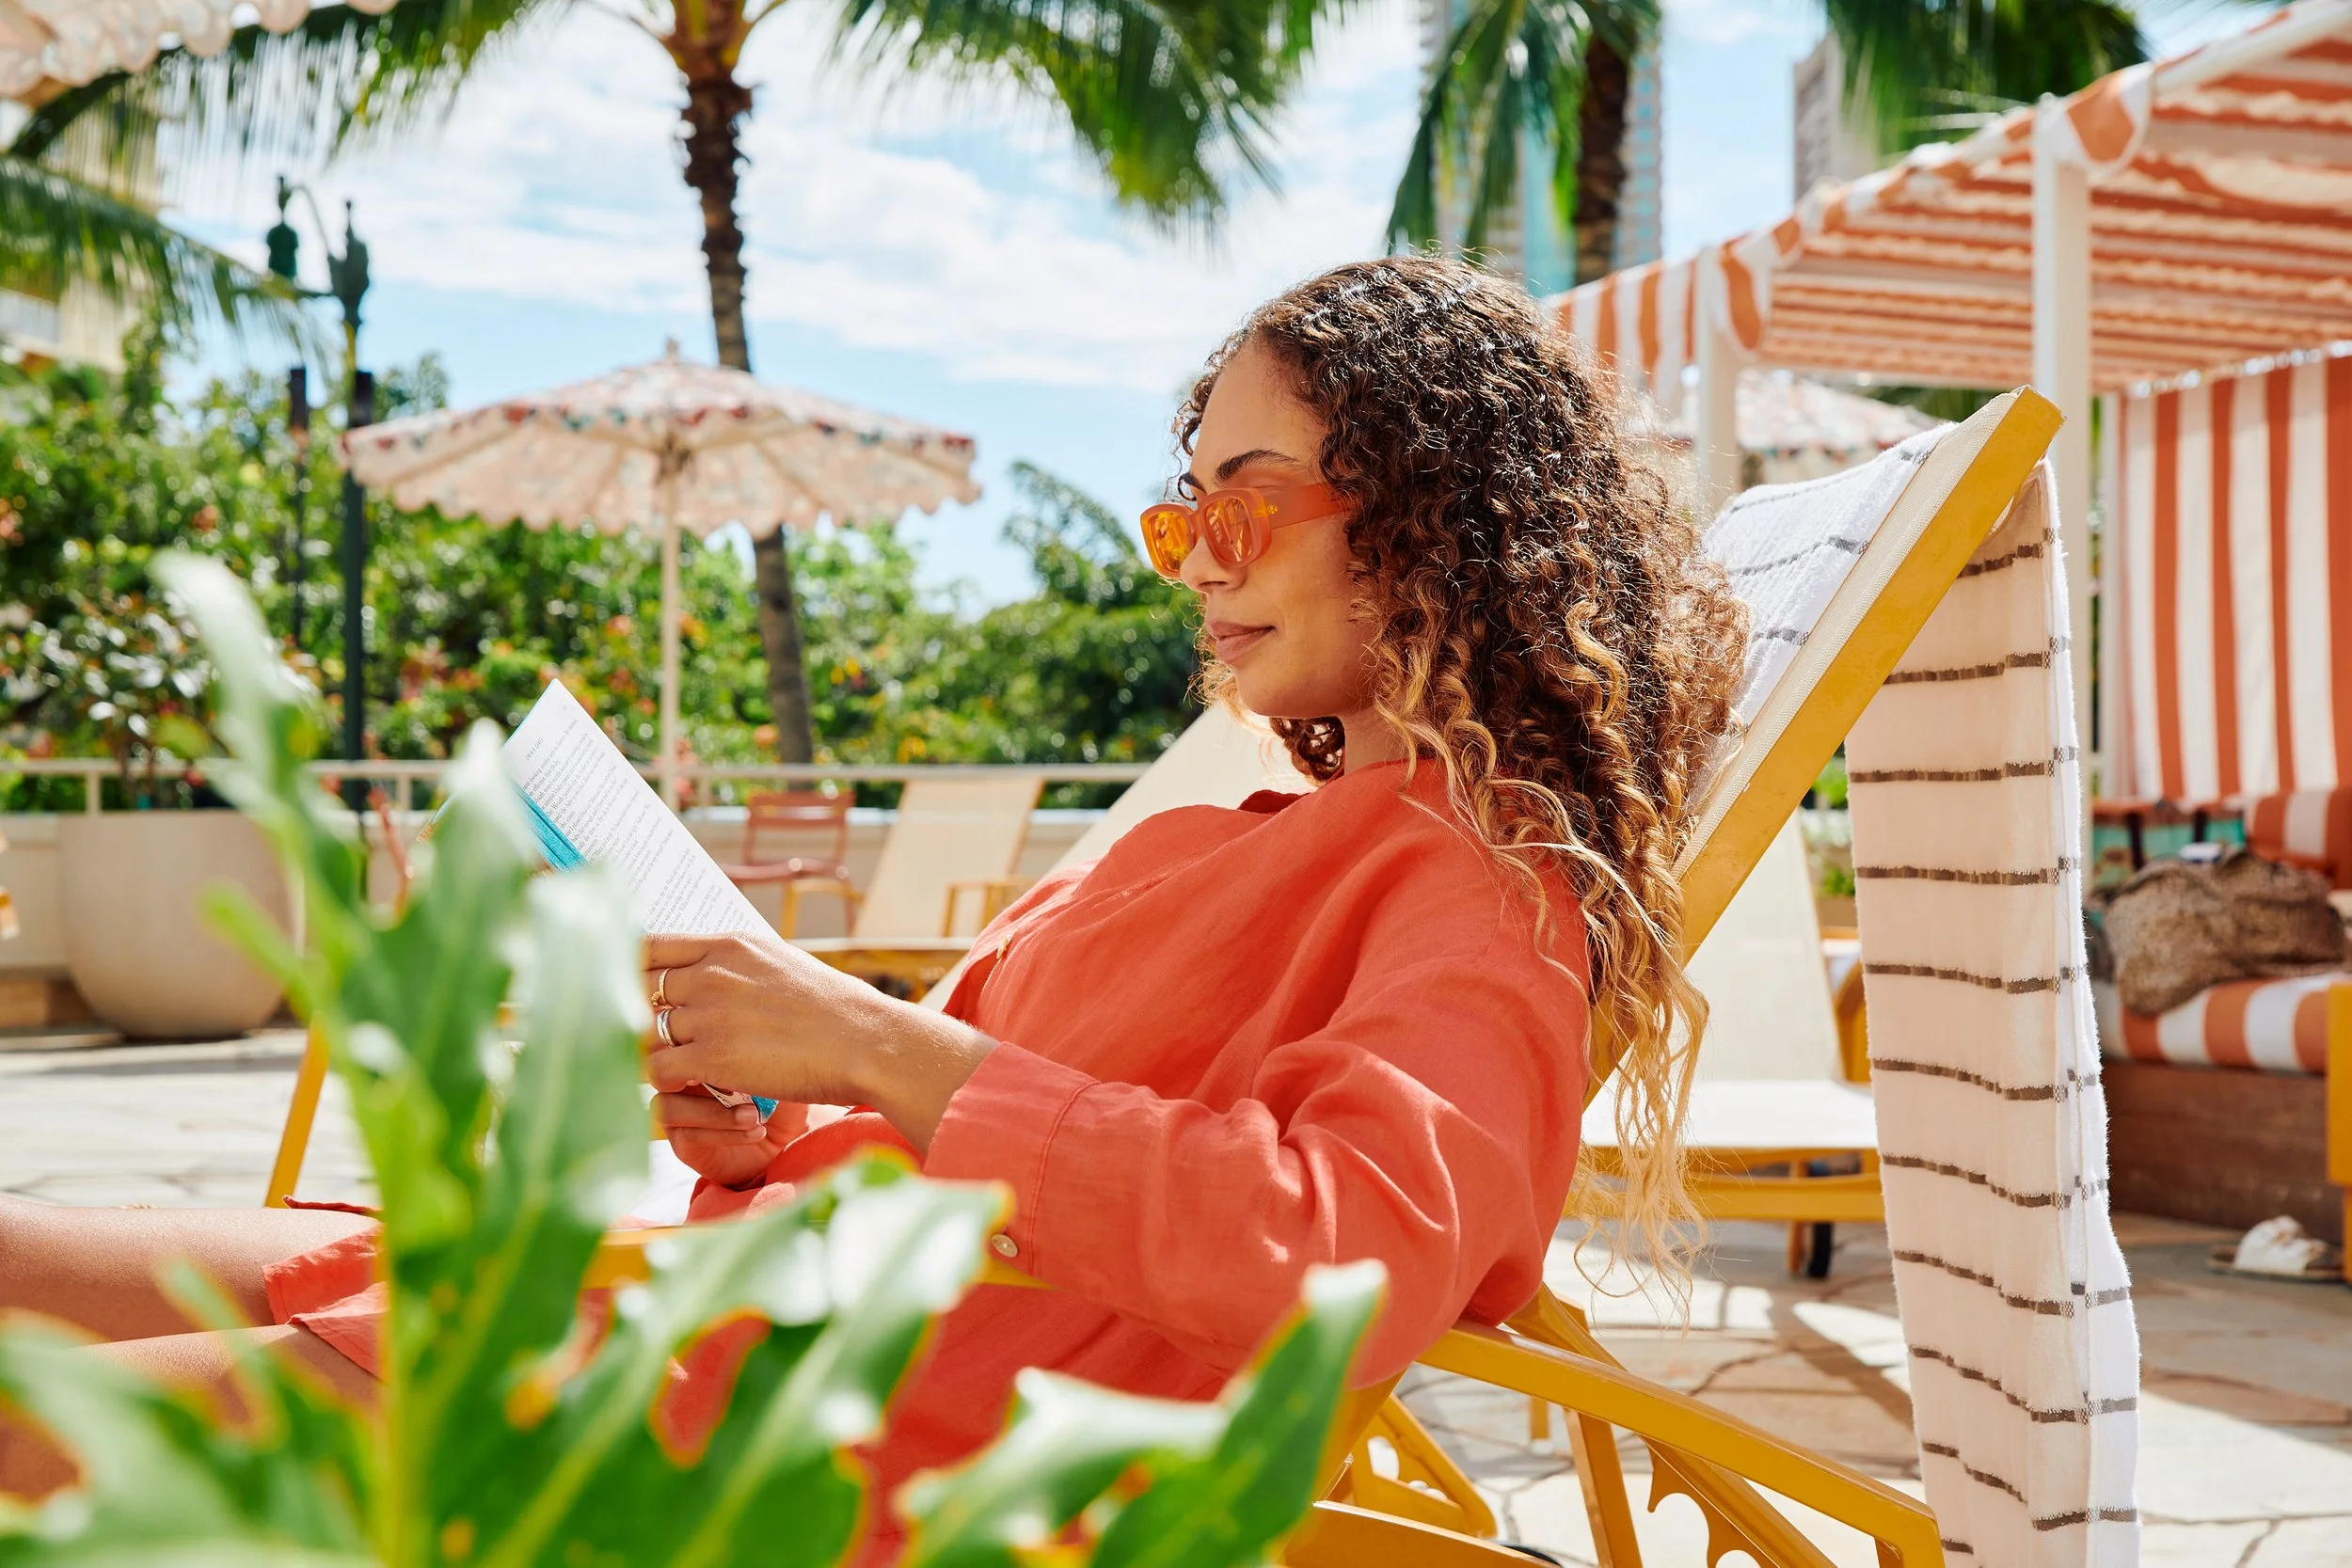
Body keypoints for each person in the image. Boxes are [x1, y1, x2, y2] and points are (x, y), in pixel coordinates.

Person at [0, 258, 1744, 1544]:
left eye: (1251, 501)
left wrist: (878, 1051)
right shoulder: (1256, 827)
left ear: (1436, 519)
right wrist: (773, 1113)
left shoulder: (1487, 880)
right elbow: (973, 1115)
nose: (1201, 557)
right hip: (704, 1304)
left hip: (795, 1427)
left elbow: (1335, 1254)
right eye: (1183, 510)